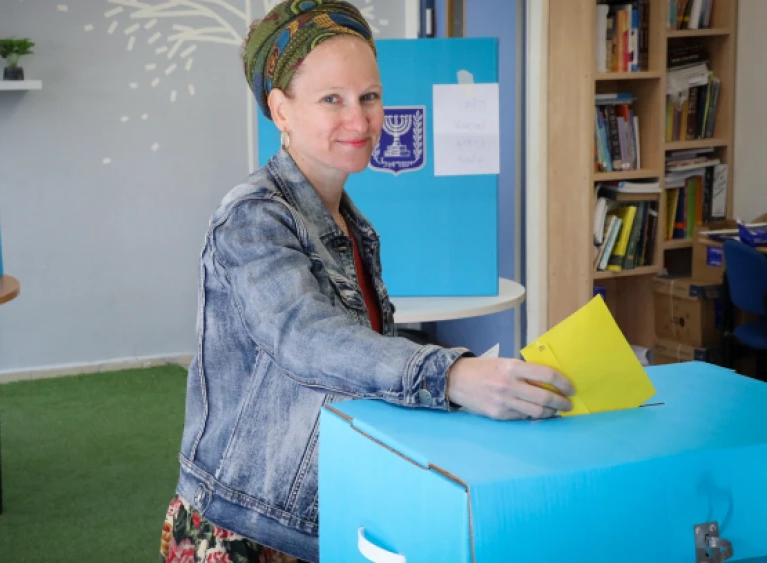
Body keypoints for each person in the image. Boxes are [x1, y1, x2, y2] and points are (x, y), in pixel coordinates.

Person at [159, 2, 575, 561]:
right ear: (279, 109)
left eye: (370, 97)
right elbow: (308, 339)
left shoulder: (349, 222)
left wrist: (477, 367)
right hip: (245, 522)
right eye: (332, 99)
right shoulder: (253, 217)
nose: (359, 120)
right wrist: (450, 376)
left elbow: (366, 349)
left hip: (324, 502)